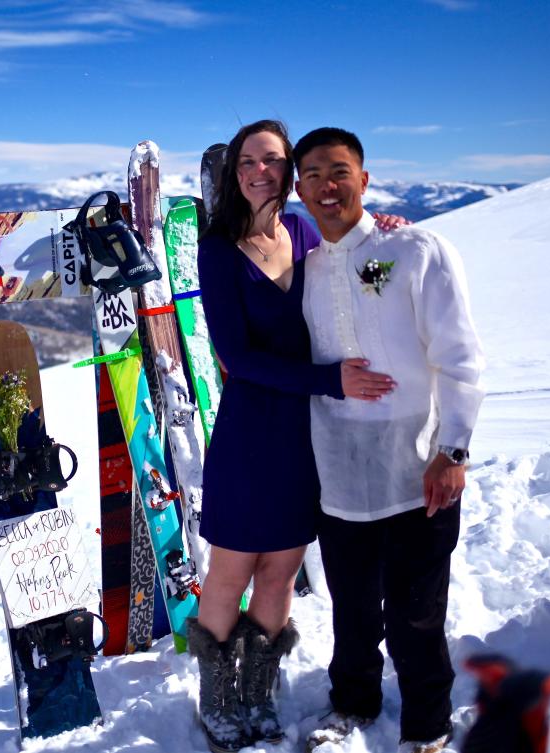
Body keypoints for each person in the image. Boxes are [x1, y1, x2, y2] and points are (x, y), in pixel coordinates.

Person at [190, 119, 400, 753]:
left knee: (281, 571)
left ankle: (256, 690)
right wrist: (331, 379)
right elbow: (238, 357)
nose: (261, 171)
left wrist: (382, 237)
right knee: (232, 568)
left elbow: (358, 279)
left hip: (306, 431)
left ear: (287, 170)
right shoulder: (218, 248)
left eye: (273, 161)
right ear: (235, 172)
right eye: (248, 161)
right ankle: (217, 698)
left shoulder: (306, 232)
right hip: (253, 425)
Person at [294, 127, 484, 753]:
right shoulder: (308, 270)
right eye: (314, 173)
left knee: (415, 613)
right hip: (341, 474)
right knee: (351, 609)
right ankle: (352, 702)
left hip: (415, 469)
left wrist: (452, 450)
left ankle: (427, 725)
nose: (328, 184)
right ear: (300, 187)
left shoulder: (414, 249)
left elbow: (459, 358)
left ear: (364, 180)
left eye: (340, 170)